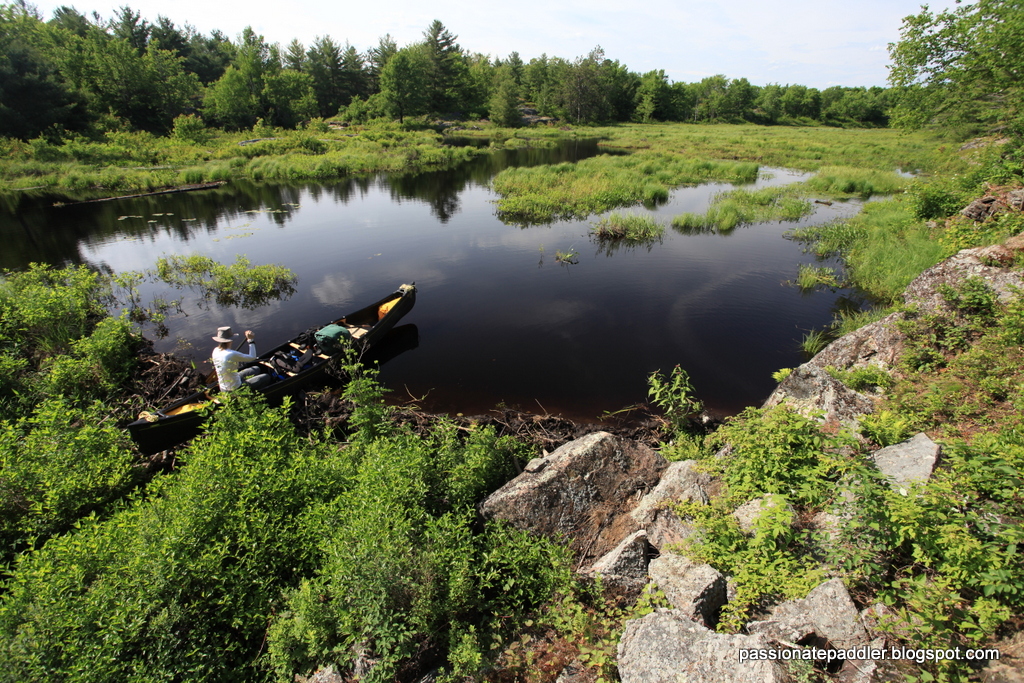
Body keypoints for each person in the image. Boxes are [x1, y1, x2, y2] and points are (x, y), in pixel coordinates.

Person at [211, 326, 274, 391]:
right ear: (231, 340)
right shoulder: (231, 354)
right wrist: (250, 340)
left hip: (224, 386)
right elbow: (253, 357)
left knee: (256, 368)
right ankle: (257, 394)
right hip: (235, 388)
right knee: (266, 377)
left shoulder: (215, 350)